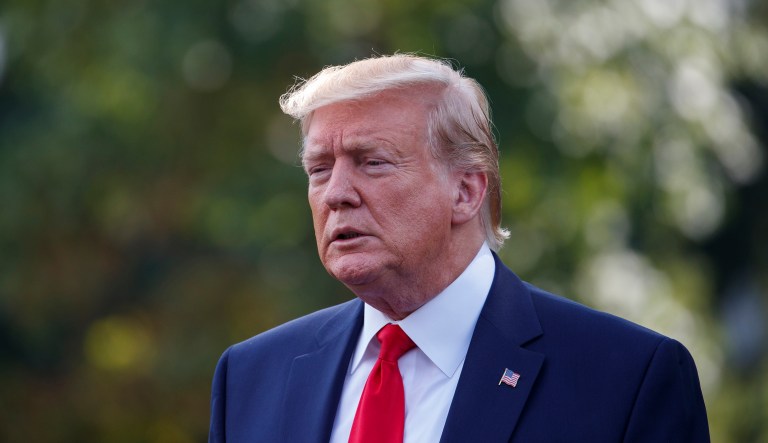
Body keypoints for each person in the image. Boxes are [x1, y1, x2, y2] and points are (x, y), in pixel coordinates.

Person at [208, 54, 709, 442]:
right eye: (319, 169)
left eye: (373, 162)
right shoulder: (250, 378)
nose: (336, 192)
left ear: (467, 191)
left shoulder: (626, 378)